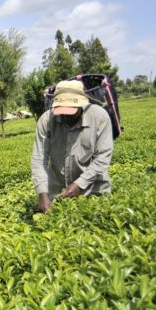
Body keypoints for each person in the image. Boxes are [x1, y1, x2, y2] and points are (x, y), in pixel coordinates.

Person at [31, 80, 113, 213]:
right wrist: (42, 193)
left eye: (70, 111)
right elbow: (39, 160)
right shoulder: (46, 121)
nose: (65, 115)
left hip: (94, 190)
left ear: (82, 105)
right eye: (61, 111)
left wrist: (79, 184)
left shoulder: (100, 117)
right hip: (59, 192)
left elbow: (102, 158)